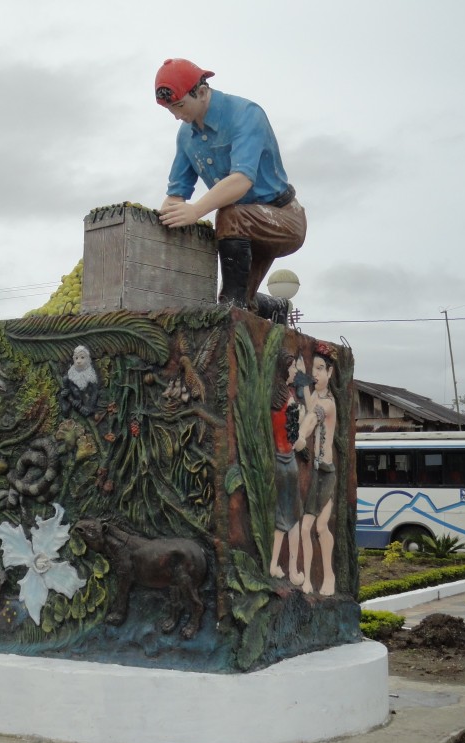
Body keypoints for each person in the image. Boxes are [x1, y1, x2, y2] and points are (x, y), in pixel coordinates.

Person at [154, 58, 307, 321]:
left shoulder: (246, 114)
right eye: (171, 110)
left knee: (229, 214)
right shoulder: (186, 135)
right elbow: (176, 194)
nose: (177, 115)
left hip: (282, 217)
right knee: (243, 300)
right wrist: (162, 218)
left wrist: (196, 211)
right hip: (241, 233)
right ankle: (272, 307)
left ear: (201, 93)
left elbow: (241, 180)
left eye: (179, 106)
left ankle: (231, 309)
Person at [296, 342, 337, 596]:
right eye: (314, 369)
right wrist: (302, 379)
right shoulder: (318, 397)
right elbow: (309, 407)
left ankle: (329, 577)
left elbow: (313, 417)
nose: (317, 373)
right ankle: (308, 580)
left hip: (326, 472)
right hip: (317, 472)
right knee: (306, 528)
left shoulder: (329, 403)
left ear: (330, 372)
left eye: (321, 369)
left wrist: (301, 433)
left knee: (319, 528)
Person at [268, 351, 303, 583]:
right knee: (293, 517)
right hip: (288, 461)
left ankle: (274, 565)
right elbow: (295, 440)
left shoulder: (273, 396)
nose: (296, 373)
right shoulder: (289, 401)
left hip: (276, 461)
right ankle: (292, 571)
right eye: (293, 369)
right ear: (285, 370)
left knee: (282, 516)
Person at [58, 345, 99, 418]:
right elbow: (67, 388)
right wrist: (65, 393)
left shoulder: (90, 375)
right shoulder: (71, 374)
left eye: (82, 357)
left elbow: (94, 393)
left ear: (88, 359)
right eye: (76, 358)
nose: (78, 361)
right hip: (74, 402)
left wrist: (90, 408)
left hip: (86, 404)